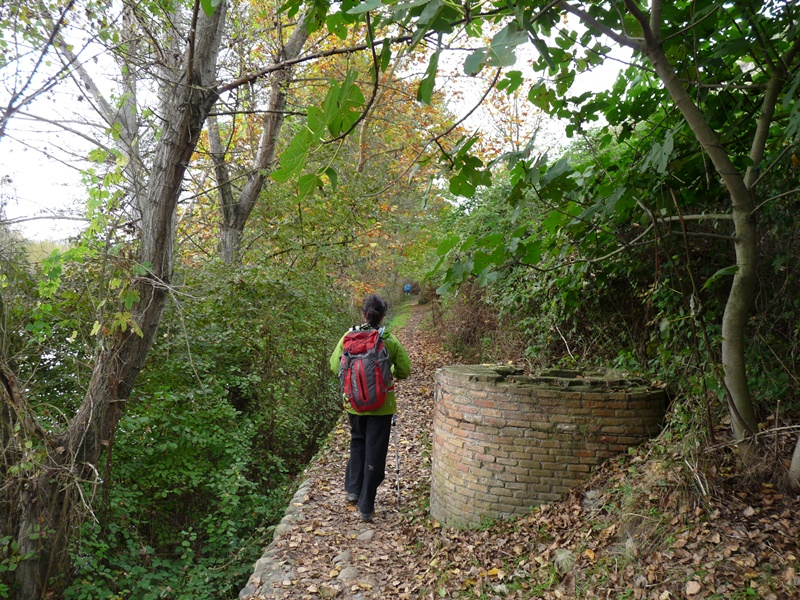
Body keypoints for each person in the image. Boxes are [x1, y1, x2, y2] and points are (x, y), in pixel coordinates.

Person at [329, 294, 411, 522]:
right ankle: (366, 505)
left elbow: (335, 366)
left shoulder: (348, 336)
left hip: (353, 403)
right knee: (375, 450)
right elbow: (404, 370)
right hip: (381, 405)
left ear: (363, 314)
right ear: (383, 316)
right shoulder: (388, 339)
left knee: (357, 442)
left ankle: (353, 490)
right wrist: (387, 372)